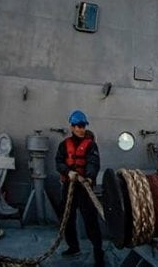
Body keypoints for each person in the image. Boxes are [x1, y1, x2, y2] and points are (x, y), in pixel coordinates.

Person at [55, 110, 104, 267]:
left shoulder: (91, 145)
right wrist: (67, 171)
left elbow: (93, 162)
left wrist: (89, 177)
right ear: (72, 127)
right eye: (79, 126)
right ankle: (73, 247)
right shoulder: (64, 145)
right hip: (69, 186)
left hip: (84, 187)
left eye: (84, 126)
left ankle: (98, 252)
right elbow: (59, 162)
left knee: (90, 221)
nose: (82, 129)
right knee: (67, 219)